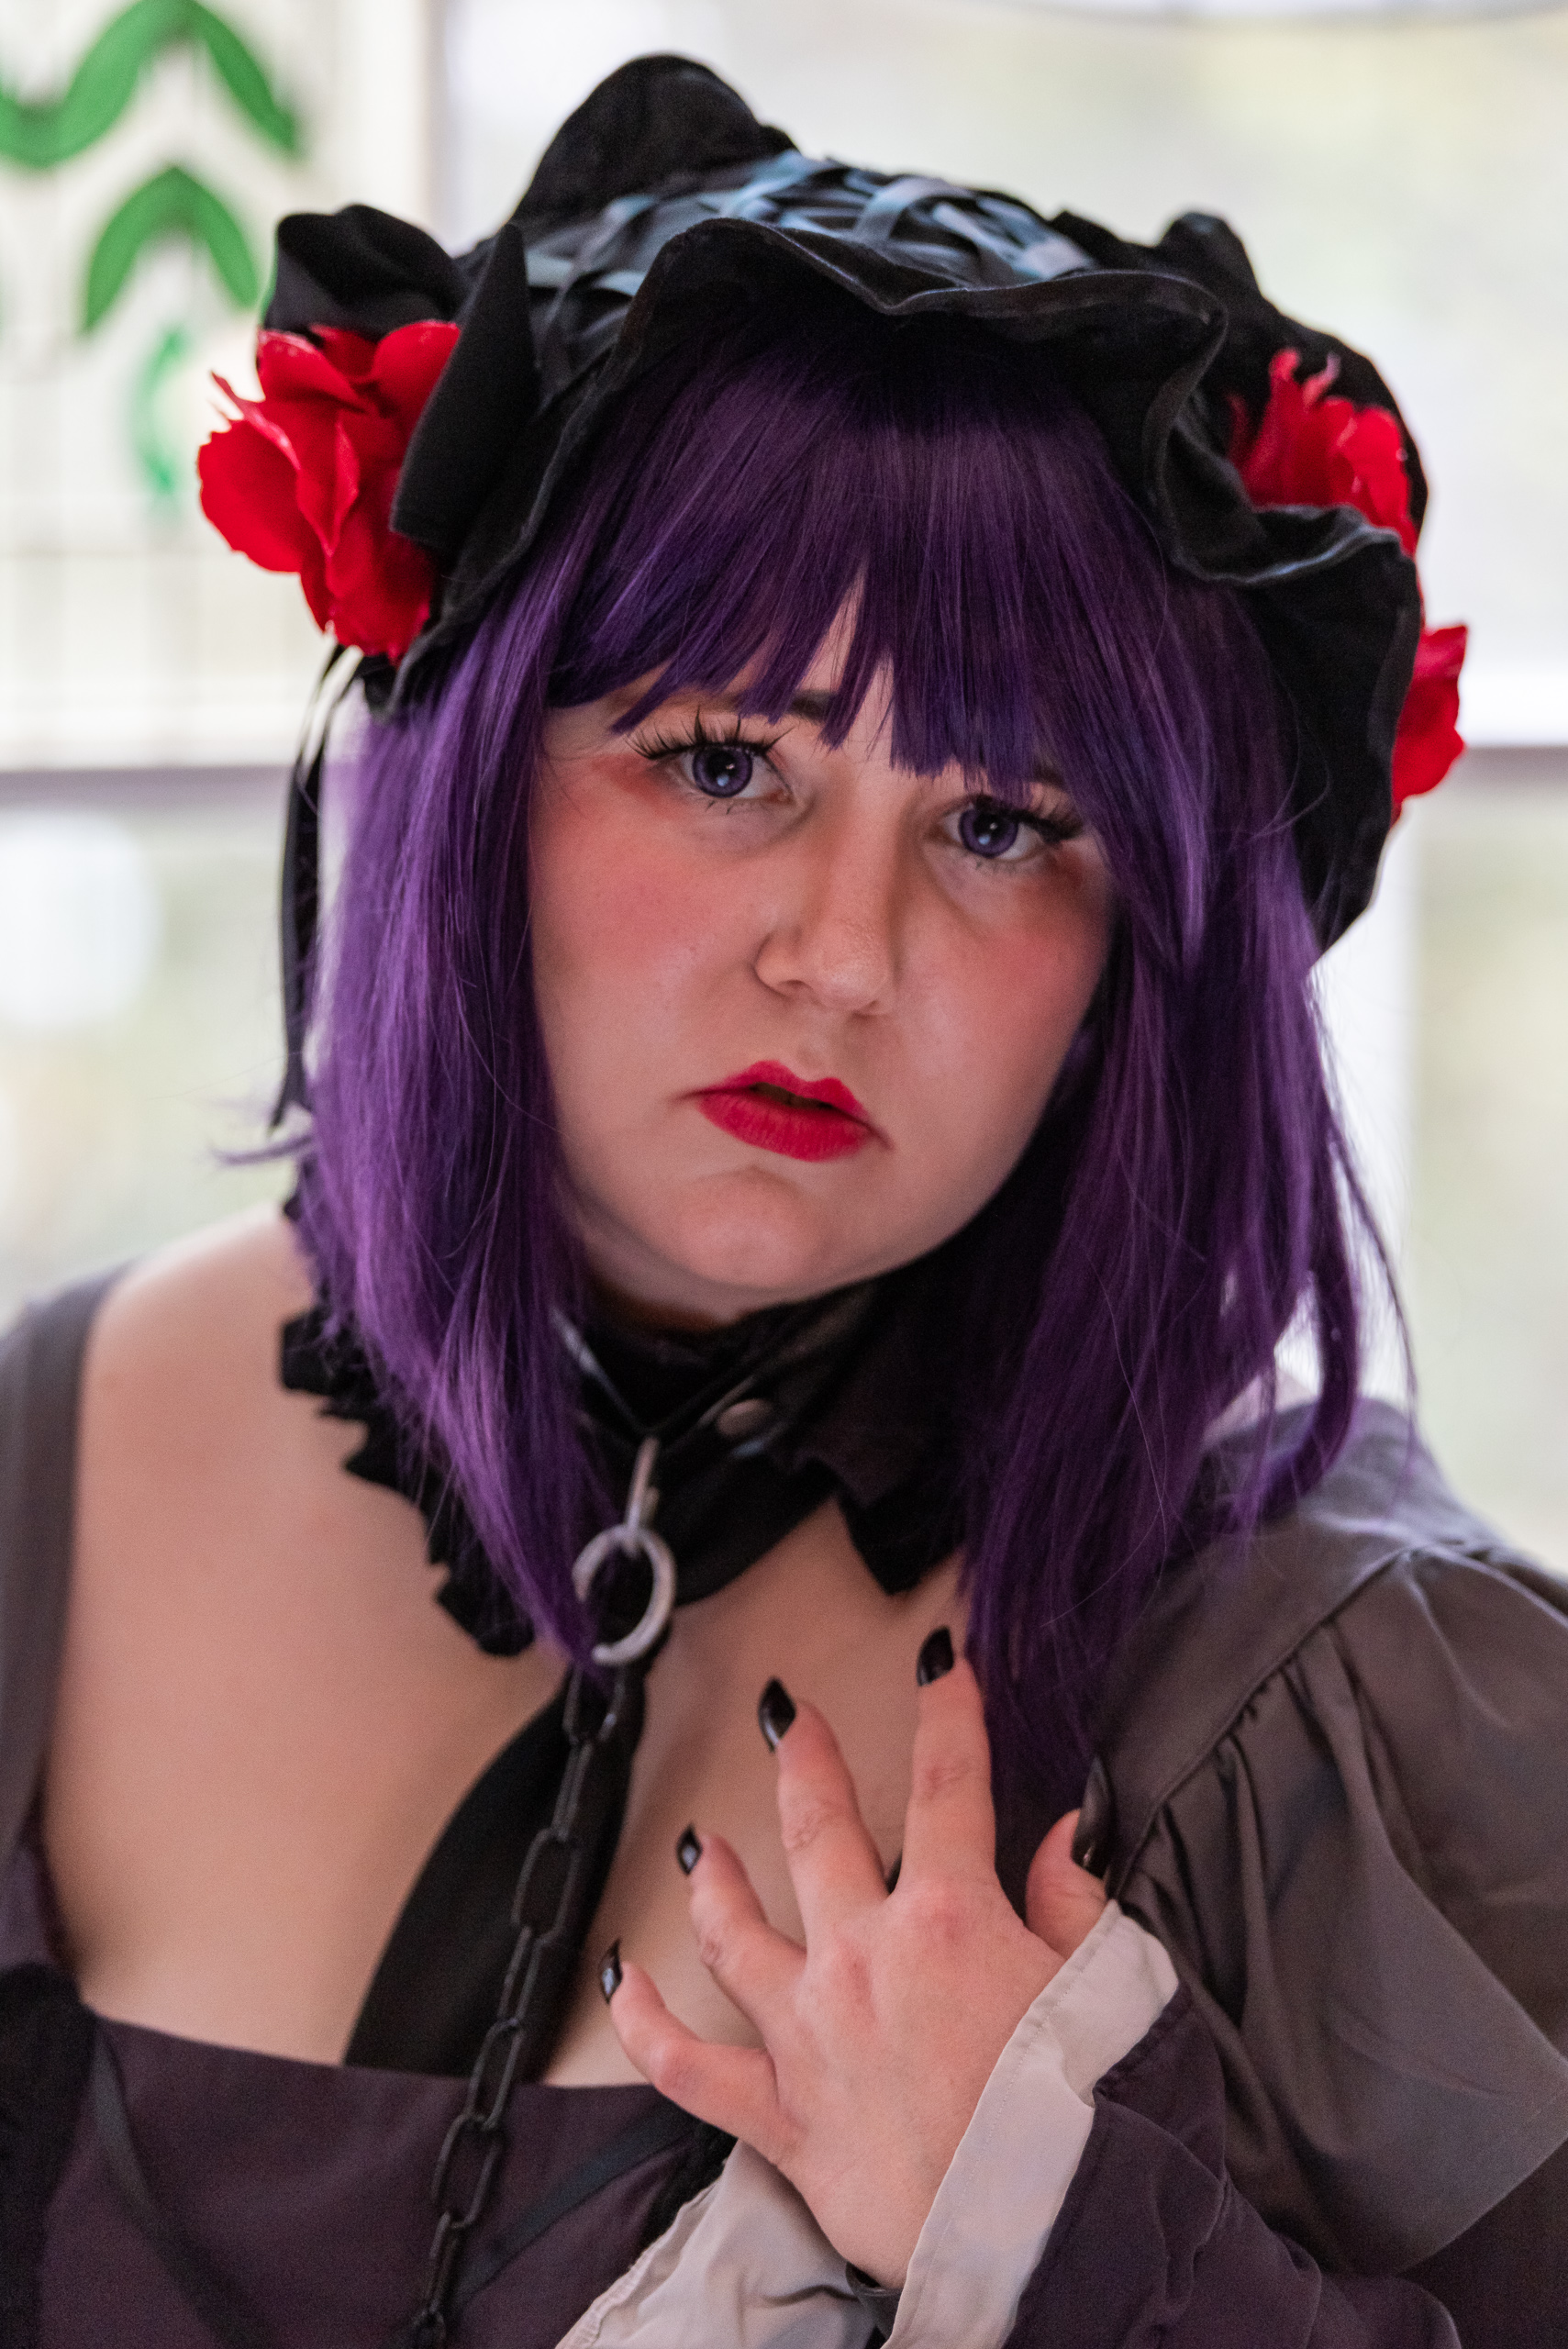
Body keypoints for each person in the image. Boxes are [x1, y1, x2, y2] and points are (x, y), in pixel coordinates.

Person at [0, 51, 1562, 2349]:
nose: (845, 951)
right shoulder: (46, 1455)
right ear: (470, 781)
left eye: (1002, 824)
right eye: (724, 758)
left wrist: (1063, 2234)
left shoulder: (1341, 1708)